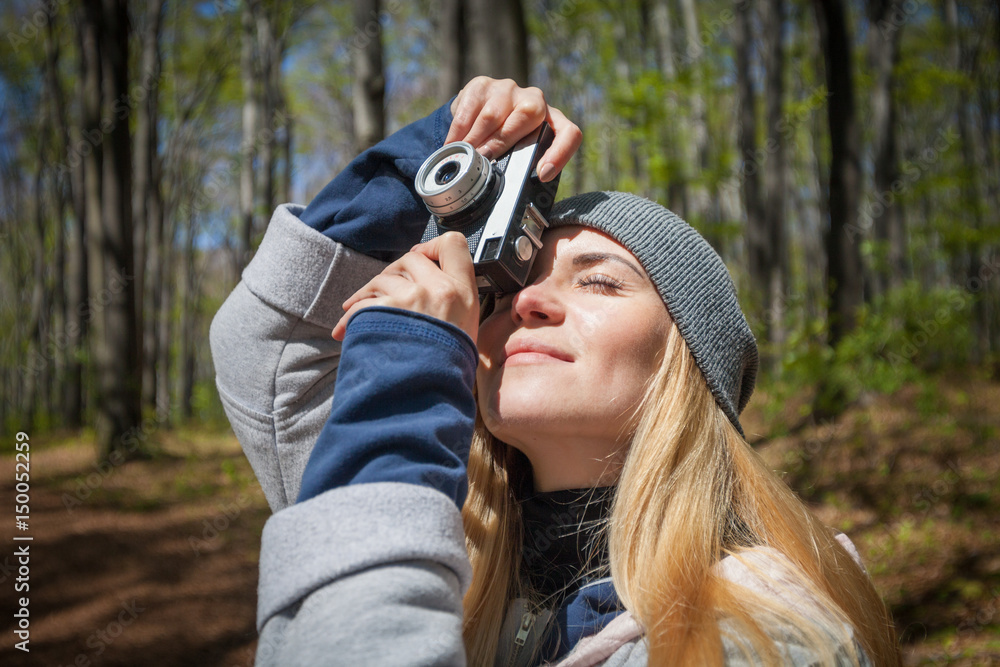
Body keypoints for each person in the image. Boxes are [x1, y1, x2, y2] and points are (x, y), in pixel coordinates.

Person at [210, 77, 901, 666]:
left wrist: (401, 379)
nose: (529, 301)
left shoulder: (758, 631)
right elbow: (266, 352)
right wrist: (452, 150)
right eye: (503, 291)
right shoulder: (449, 543)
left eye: (599, 282)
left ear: (688, 361)